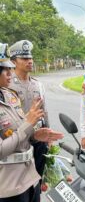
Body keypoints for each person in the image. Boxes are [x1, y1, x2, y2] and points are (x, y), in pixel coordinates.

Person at [0, 43, 63, 202]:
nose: (9, 73)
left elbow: (28, 124)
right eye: (4, 69)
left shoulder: (11, 94)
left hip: (26, 173)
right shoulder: (10, 90)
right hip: (8, 182)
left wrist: (39, 134)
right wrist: (29, 127)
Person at [9, 40, 49, 177]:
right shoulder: (7, 86)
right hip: (19, 140)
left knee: (38, 177)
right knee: (20, 180)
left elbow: (44, 112)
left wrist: (48, 135)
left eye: (30, 58)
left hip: (39, 139)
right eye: (25, 58)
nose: (30, 61)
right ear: (14, 62)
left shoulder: (38, 85)